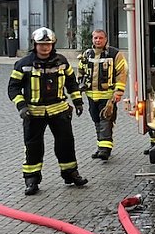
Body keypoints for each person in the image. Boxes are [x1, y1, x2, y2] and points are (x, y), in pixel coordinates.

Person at [8, 27, 87, 195]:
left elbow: (71, 83)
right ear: (34, 45)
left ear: (53, 45)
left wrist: (78, 102)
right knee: (33, 147)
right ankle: (31, 179)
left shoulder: (62, 62)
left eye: (48, 44)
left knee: (66, 144)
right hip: (34, 113)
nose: (45, 48)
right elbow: (13, 88)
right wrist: (22, 106)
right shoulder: (24, 64)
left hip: (59, 110)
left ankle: (70, 173)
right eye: (41, 45)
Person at [78, 29, 128, 160]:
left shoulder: (114, 54)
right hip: (91, 95)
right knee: (96, 121)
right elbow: (81, 71)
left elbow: (122, 73)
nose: (97, 40)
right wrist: (80, 85)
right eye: (95, 38)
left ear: (106, 39)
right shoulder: (87, 54)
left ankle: (105, 149)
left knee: (106, 120)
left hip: (108, 96)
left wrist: (119, 92)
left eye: (100, 38)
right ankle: (101, 146)